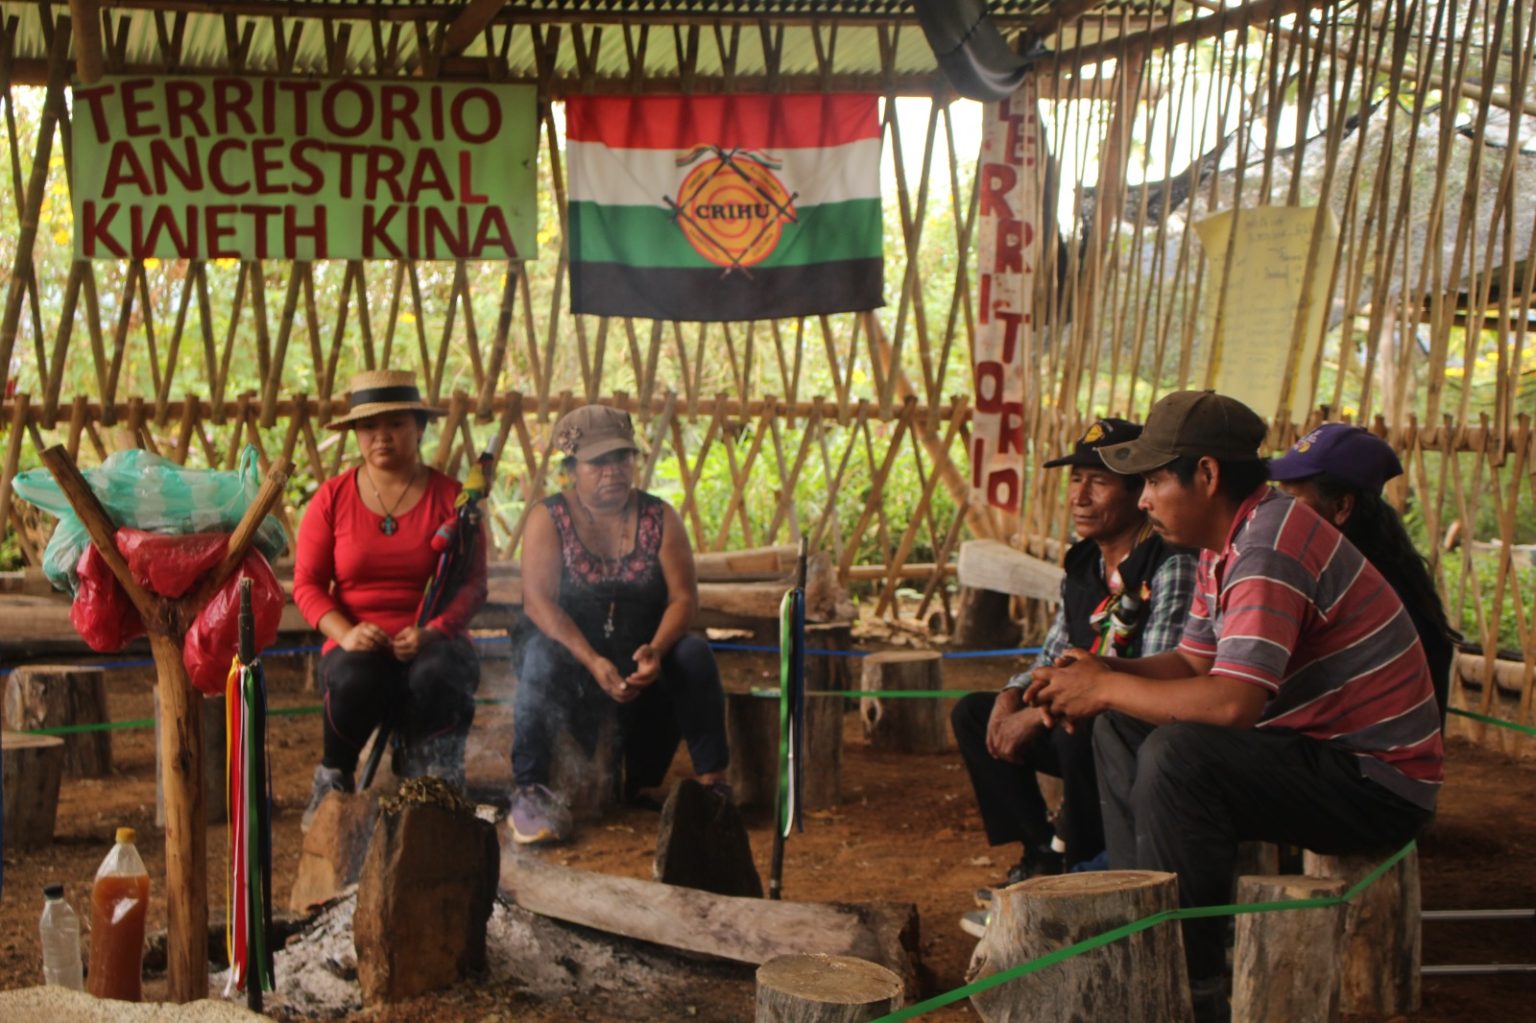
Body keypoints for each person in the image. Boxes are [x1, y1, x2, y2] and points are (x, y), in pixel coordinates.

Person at [1025, 390, 1442, 1021]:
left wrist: (1104, 687)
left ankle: (1190, 988)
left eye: (1154, 480)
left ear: (1207, 474)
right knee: (1121, 725)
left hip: (1376, 782)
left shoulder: (1269, 545)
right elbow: (1194, 665)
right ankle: (1140, 934)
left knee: (1180, 754)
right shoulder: (1226, 543)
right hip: (1316, 755)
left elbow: (1231, 705)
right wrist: (1101, 671)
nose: (1143, 500)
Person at [950, 418, 1196, 885]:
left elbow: (1162, 675)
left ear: (1138, 492)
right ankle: (1041, 851)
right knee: (975, 715)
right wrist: (1011, 696)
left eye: (1098, 482)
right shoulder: (1083, 564)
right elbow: (1054, 652)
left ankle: (1087, 872)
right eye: (1076, 480)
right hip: (1078, 706)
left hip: (1137, 727)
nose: (1080, 496)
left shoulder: (1169, 564)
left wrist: (1039, 714)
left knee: (1082, 729)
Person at [510, 404, 729, 845]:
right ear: (571, 469)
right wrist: (591, 659)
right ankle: (529, 791)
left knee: (694, 655)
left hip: (640, 659)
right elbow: (538, 602)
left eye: (622, 458)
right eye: (598, 462)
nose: (612, 471)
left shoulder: (660, 518)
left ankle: (714, 789)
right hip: (573, 662)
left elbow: (684, 598)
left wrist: (656, 650)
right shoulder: (548, 518)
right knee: (538, 655)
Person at [293, 370, 488, 825]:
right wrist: (346, 634)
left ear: (419, 428)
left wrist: (434, 631)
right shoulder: (331, 499)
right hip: (358, 642)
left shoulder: (454, 500)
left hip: (435, 641)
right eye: (369, 427)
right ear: (356, 435)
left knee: (439, 672)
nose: (381, 437)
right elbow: (307, 584)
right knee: (353, 677)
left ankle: (440, 780)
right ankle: (334, 778)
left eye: (396, 424)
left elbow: (473, 585)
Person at [1268, 422, 1458, 721]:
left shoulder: (1368, 593)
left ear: (1341, 507)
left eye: (1292, 501)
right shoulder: (1352, 569)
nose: (1278, 513)